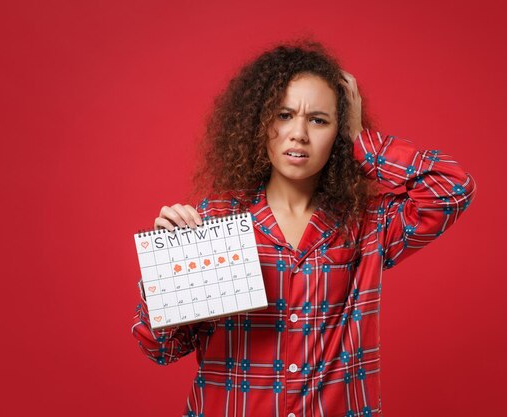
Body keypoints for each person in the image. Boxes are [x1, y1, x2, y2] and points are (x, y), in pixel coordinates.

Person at [131, 39, 477, 417]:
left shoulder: (366, 225)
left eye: (318, 119)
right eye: (283, 115)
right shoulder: (216, 221)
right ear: (259, 123)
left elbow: (451, 189)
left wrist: (364, 143)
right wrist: (167, 276)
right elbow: (160, 349)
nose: (299, 133)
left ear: (338, 131)